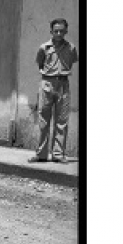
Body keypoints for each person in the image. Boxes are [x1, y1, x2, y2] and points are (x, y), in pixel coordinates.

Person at [30, 18, 78, 163]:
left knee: (62, 121)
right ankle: (41, 154)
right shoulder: (44, 48)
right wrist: (46, 76)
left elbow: (73, 61)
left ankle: (58, 154)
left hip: (63, 84)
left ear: (66, 31)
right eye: (56, 31)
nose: (58, 33)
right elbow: (39, 63)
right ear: (51, 31)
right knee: (43, 120)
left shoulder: (71, 48)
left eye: (61, 31)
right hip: (47, 84)